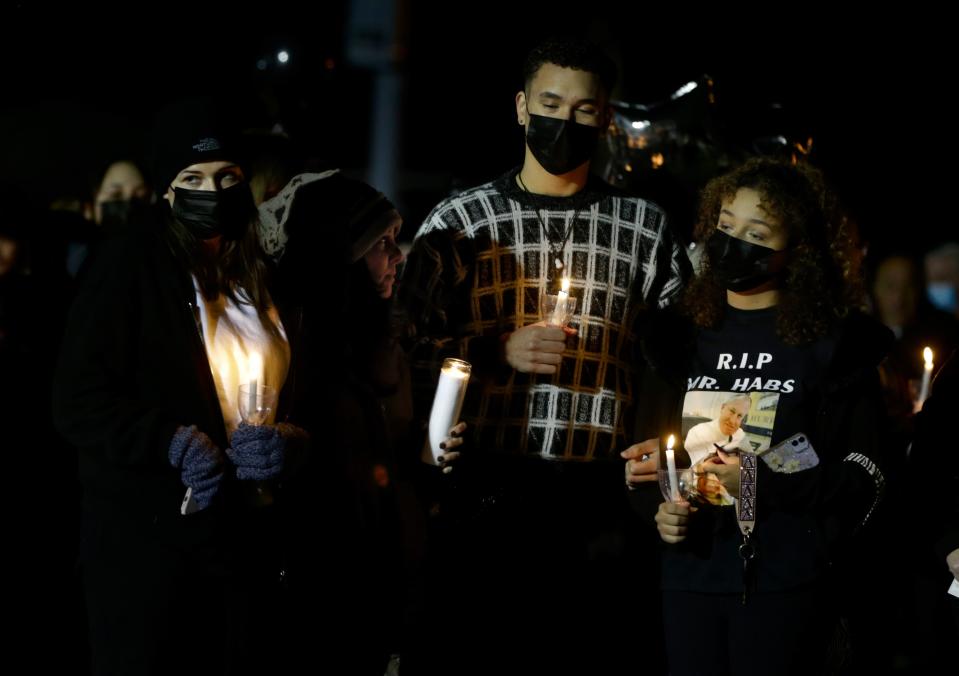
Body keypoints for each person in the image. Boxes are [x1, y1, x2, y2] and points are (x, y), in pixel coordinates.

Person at [399, 36, 687, 675]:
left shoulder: (644, 226)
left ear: (605, 119)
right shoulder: (461, 219)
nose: (566, 121)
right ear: (522, 107)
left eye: (585, 110)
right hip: (489, 492)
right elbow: (405, 348)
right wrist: (495, 349)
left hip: (601, 500)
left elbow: (681, 353)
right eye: (551, 103)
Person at [53, 97, 306, 676]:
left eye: (226, 177)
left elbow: (298, 391)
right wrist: (169, 440)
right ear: (166, 190)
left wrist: (289, 440)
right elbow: (77, 400)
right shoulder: (126, 267)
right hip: (147, 552)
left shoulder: (263, 274)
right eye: (191, 178)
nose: (211, 192)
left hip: (244, 545)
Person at [628, 158, 892, 676]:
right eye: (725, 226)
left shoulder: (833, 346)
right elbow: (651, 461)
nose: (734, 243)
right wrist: (656, 509)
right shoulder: (677, 337)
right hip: (690, 576)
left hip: (785, 580)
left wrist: (758, 481)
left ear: (797, 249)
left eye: (757, 232)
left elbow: (867, 471)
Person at [683, 393, 753, 464]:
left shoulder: (740, 435)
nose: (733, 420)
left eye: (739, 416)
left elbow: (750, 470)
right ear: (722, 408)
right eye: (732, 411)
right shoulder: (697, 432)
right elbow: (691, 471)